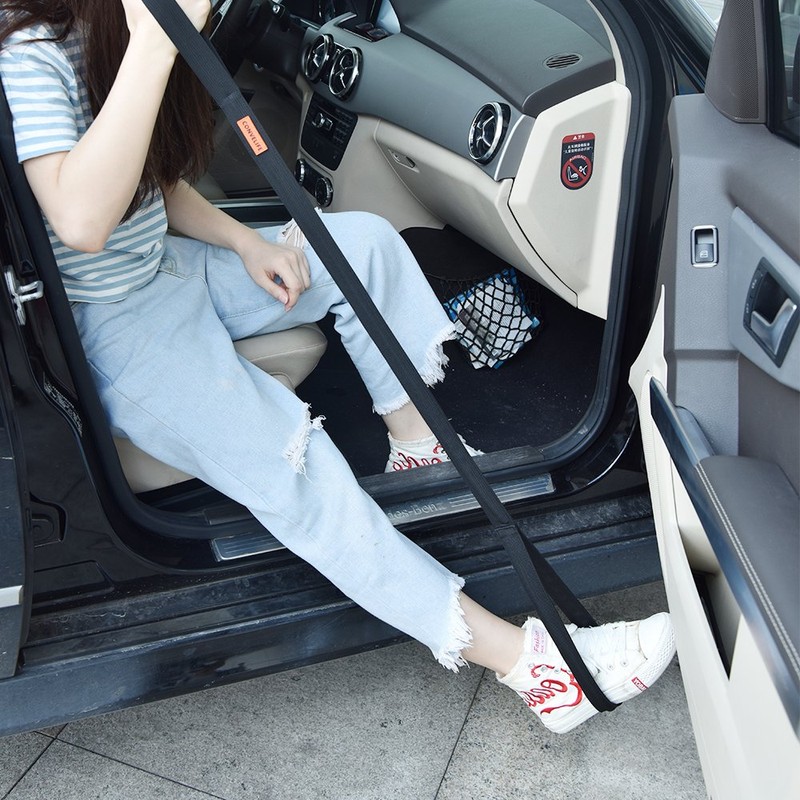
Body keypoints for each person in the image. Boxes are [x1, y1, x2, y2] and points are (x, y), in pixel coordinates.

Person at [0, 0, 676, 735]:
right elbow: (81, 221)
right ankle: (537, 671)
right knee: (297, 468)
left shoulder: (102, 29)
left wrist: (246, 243)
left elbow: (149, 179)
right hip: (113, 323)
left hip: (168, 266)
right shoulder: (31, 50)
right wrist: (157, 45)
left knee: (364, 247)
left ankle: (416, 447)